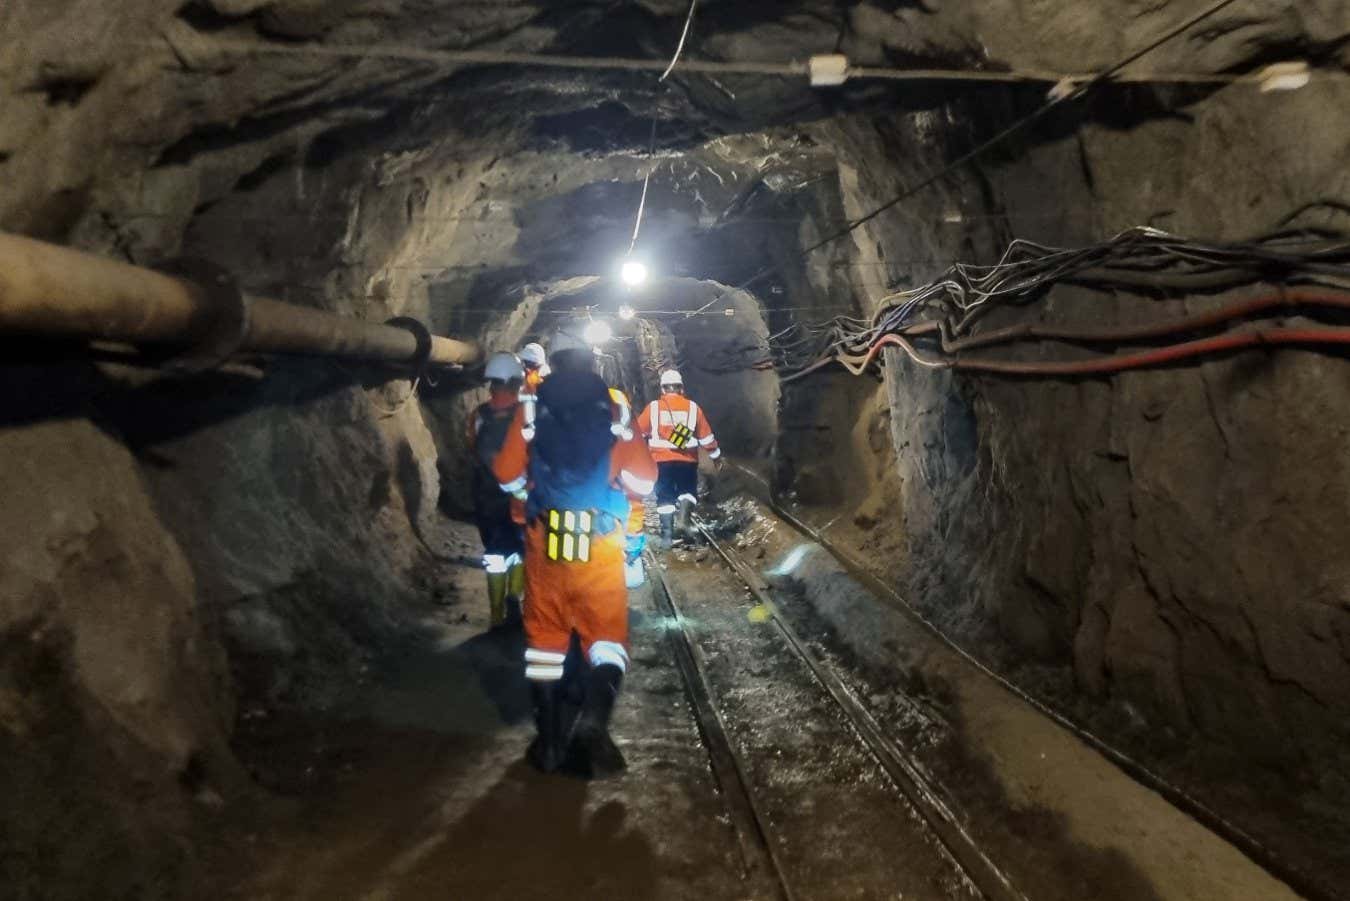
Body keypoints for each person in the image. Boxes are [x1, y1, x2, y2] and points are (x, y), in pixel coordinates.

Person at [493, 329, 656, 777]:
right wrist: (615, 486)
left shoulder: (530, 403)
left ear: (556, 362)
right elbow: (644, 481)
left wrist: (529, 488)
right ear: (591, 362)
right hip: (600, 544)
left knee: (545, 640)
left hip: (546, 543)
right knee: (606, 638)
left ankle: (547, 744)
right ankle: (593, 725)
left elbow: (506, 474)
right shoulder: (617, 406)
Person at [467, 352, 526, 627]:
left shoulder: (478, 415)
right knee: (521, 549)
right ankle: (515, 596)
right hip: (520, 496)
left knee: (494, 553)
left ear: (491, 384)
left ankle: (495, 614)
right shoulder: (527, 414)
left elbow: (471, 449)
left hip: (486, 494)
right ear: (517, 382)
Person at [635, 369, 721, 548]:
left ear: (663, 390)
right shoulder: (693, 408)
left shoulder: (654, 408)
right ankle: (683, 521)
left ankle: (667, 536)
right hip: (687, 459)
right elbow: (706, 437)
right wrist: (716, 456)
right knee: (688, 490)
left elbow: (639, 431)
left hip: (660, 460)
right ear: (682, 389)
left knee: (664, 495)